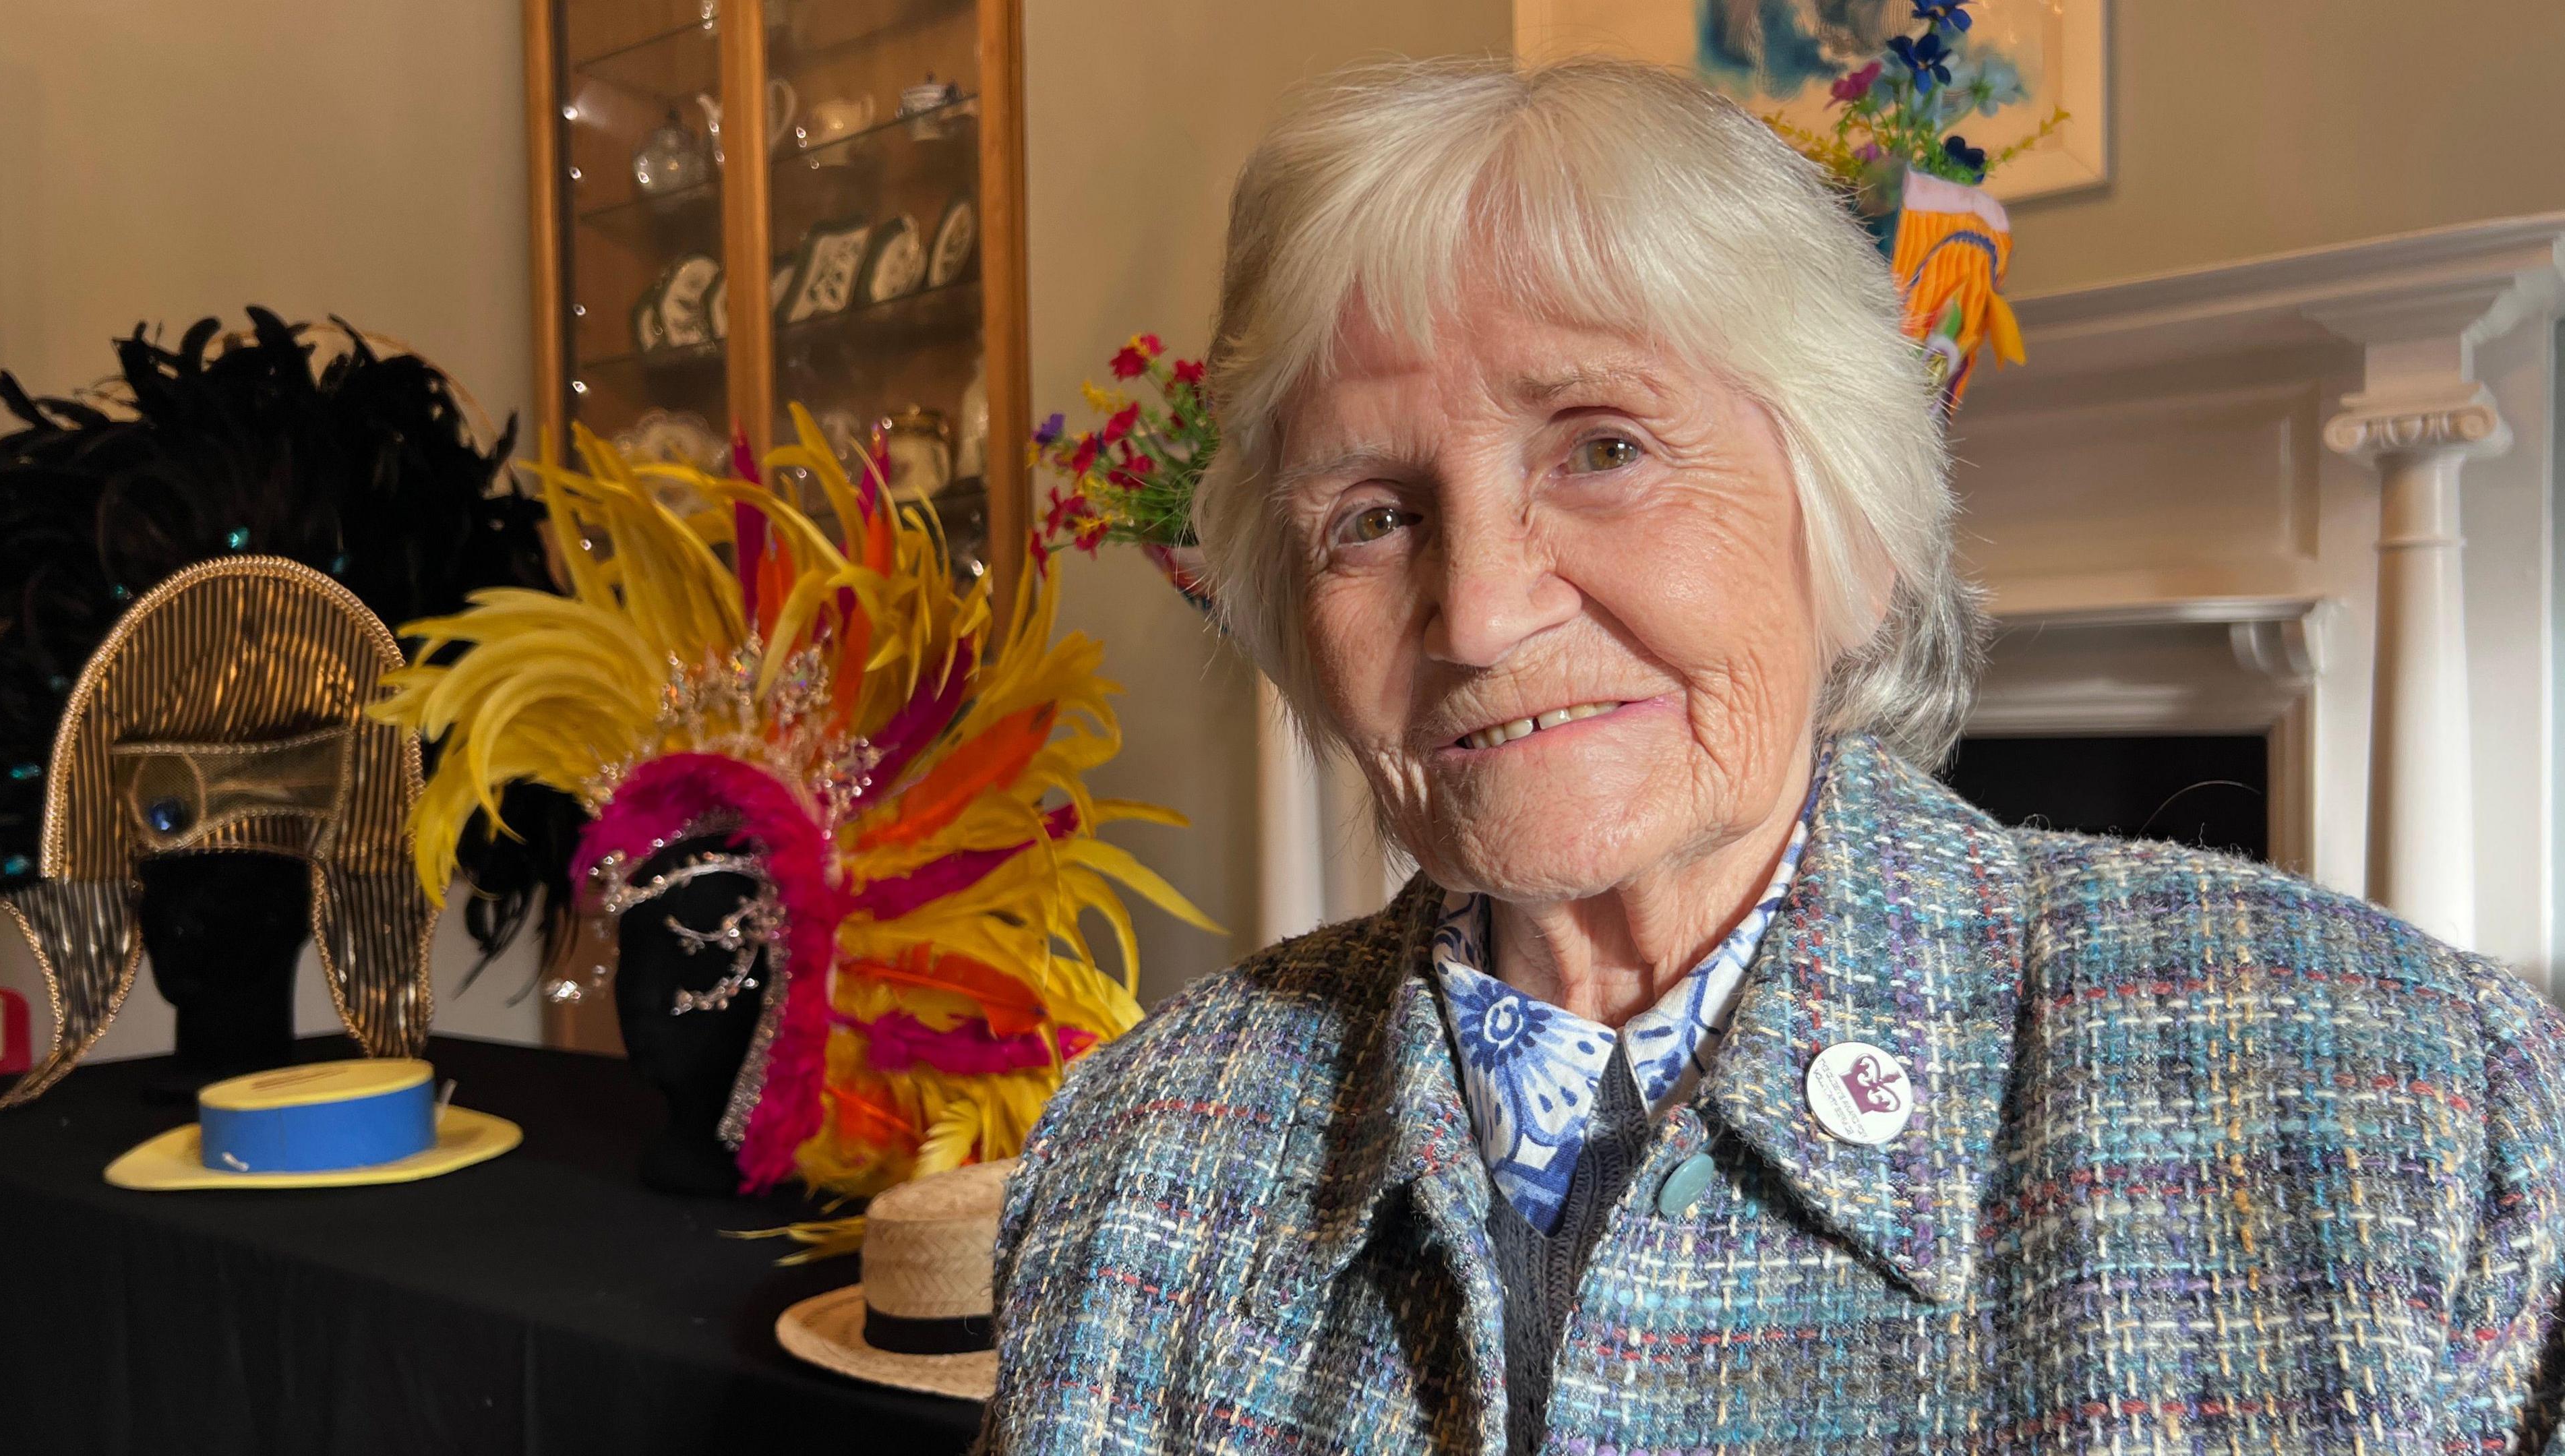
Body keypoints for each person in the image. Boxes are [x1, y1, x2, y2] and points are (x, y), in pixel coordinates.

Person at [980, 55, 2565, 1455]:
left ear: (1856, 529)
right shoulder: (1136, 1147)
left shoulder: (2406, 1091)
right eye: (1375, 517)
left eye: (1603, 447)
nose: (1478, 611)